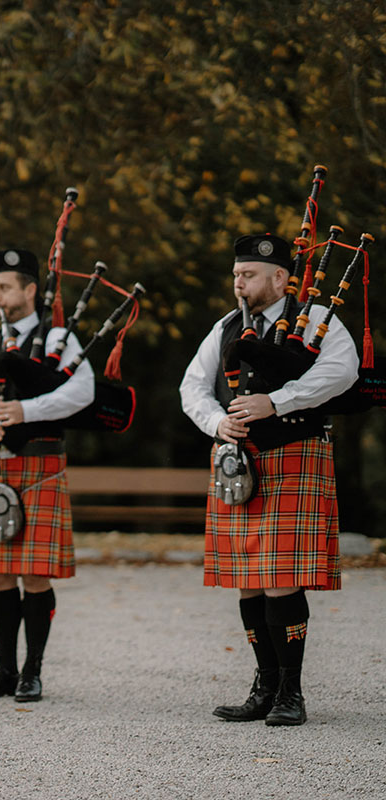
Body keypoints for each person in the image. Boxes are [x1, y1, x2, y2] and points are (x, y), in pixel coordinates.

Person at [179, 233, 358, 726]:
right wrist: (218, 422)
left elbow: (344, 372)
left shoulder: (318, 321)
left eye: (249, 274)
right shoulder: (224, 327)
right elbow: (192, 387)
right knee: (248, 582)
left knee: (280, 581)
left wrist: (276, 401)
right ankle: (264, 685)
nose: (238, 281)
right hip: (239, 459)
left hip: (295, 453)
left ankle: (290, 692)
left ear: (280, 278)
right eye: (236, 273)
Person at [0, 248, 94, 703]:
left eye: (5, 286)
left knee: (34, 573)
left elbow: (83, 392)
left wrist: (26, 410)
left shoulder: (60, 341)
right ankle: (5, 670)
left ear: (30, 290)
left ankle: (33, 670)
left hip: (39, 462)